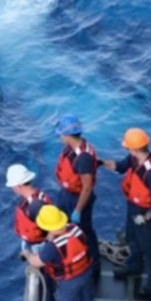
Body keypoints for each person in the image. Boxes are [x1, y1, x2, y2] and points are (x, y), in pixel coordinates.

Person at [22, 205, 96, 301]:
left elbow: (36, 262)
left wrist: (27, 253)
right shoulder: (76, 229)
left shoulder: (52, 248)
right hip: (86, 274)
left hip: (68, 283)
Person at [101, 127, 151, 297]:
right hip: (134, 207)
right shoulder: (134, 159)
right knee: (132, 238)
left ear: (136, 148)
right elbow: (121, 167)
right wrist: (102, 163)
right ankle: (133, 266)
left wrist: (146, 218)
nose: (126, 149)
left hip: (145, 212)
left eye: (128, 147)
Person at [54, 114, 101, 275]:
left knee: (84, 231)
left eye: (61, 134)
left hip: (77, 199)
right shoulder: (72, 149)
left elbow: (86, 188)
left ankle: (92, 266)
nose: (60, 137)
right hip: (67, 193)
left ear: (68, 136)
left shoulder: (84, 157)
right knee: (62, 226)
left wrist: (78, 210)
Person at [5, 163, 51, 253]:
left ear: (18, 186)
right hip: (33, 241)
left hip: (40, 245)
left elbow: (51, 229)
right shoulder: (36, 196)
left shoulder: (35, 206)